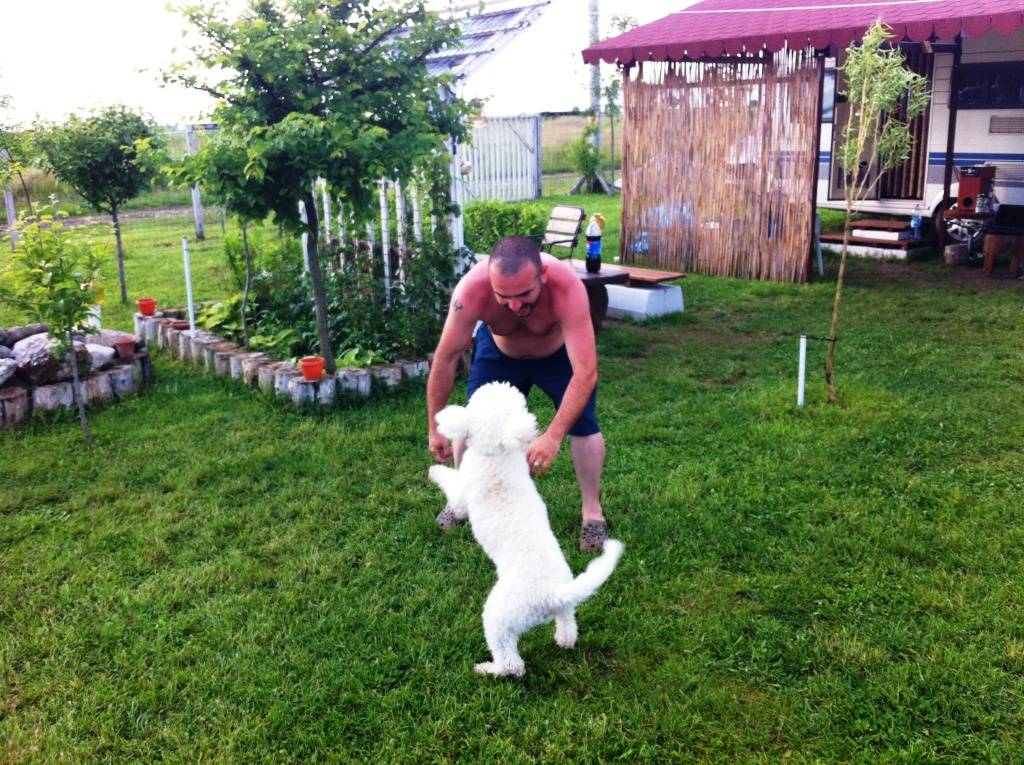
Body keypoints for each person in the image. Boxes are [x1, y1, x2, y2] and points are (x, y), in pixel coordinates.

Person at [427, 235, 609, 552]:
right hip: (500, 352)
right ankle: (462, 499)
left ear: (542, 276)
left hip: (557, 355)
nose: (514, 306)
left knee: (584, 425)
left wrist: (552, 436)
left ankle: (592, 515)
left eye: (524, 295)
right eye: (503, 297)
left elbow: (586, 372)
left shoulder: (567, 288)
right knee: (474, 422)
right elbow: (446, 357)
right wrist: (434, 426)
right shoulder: (470, 291)